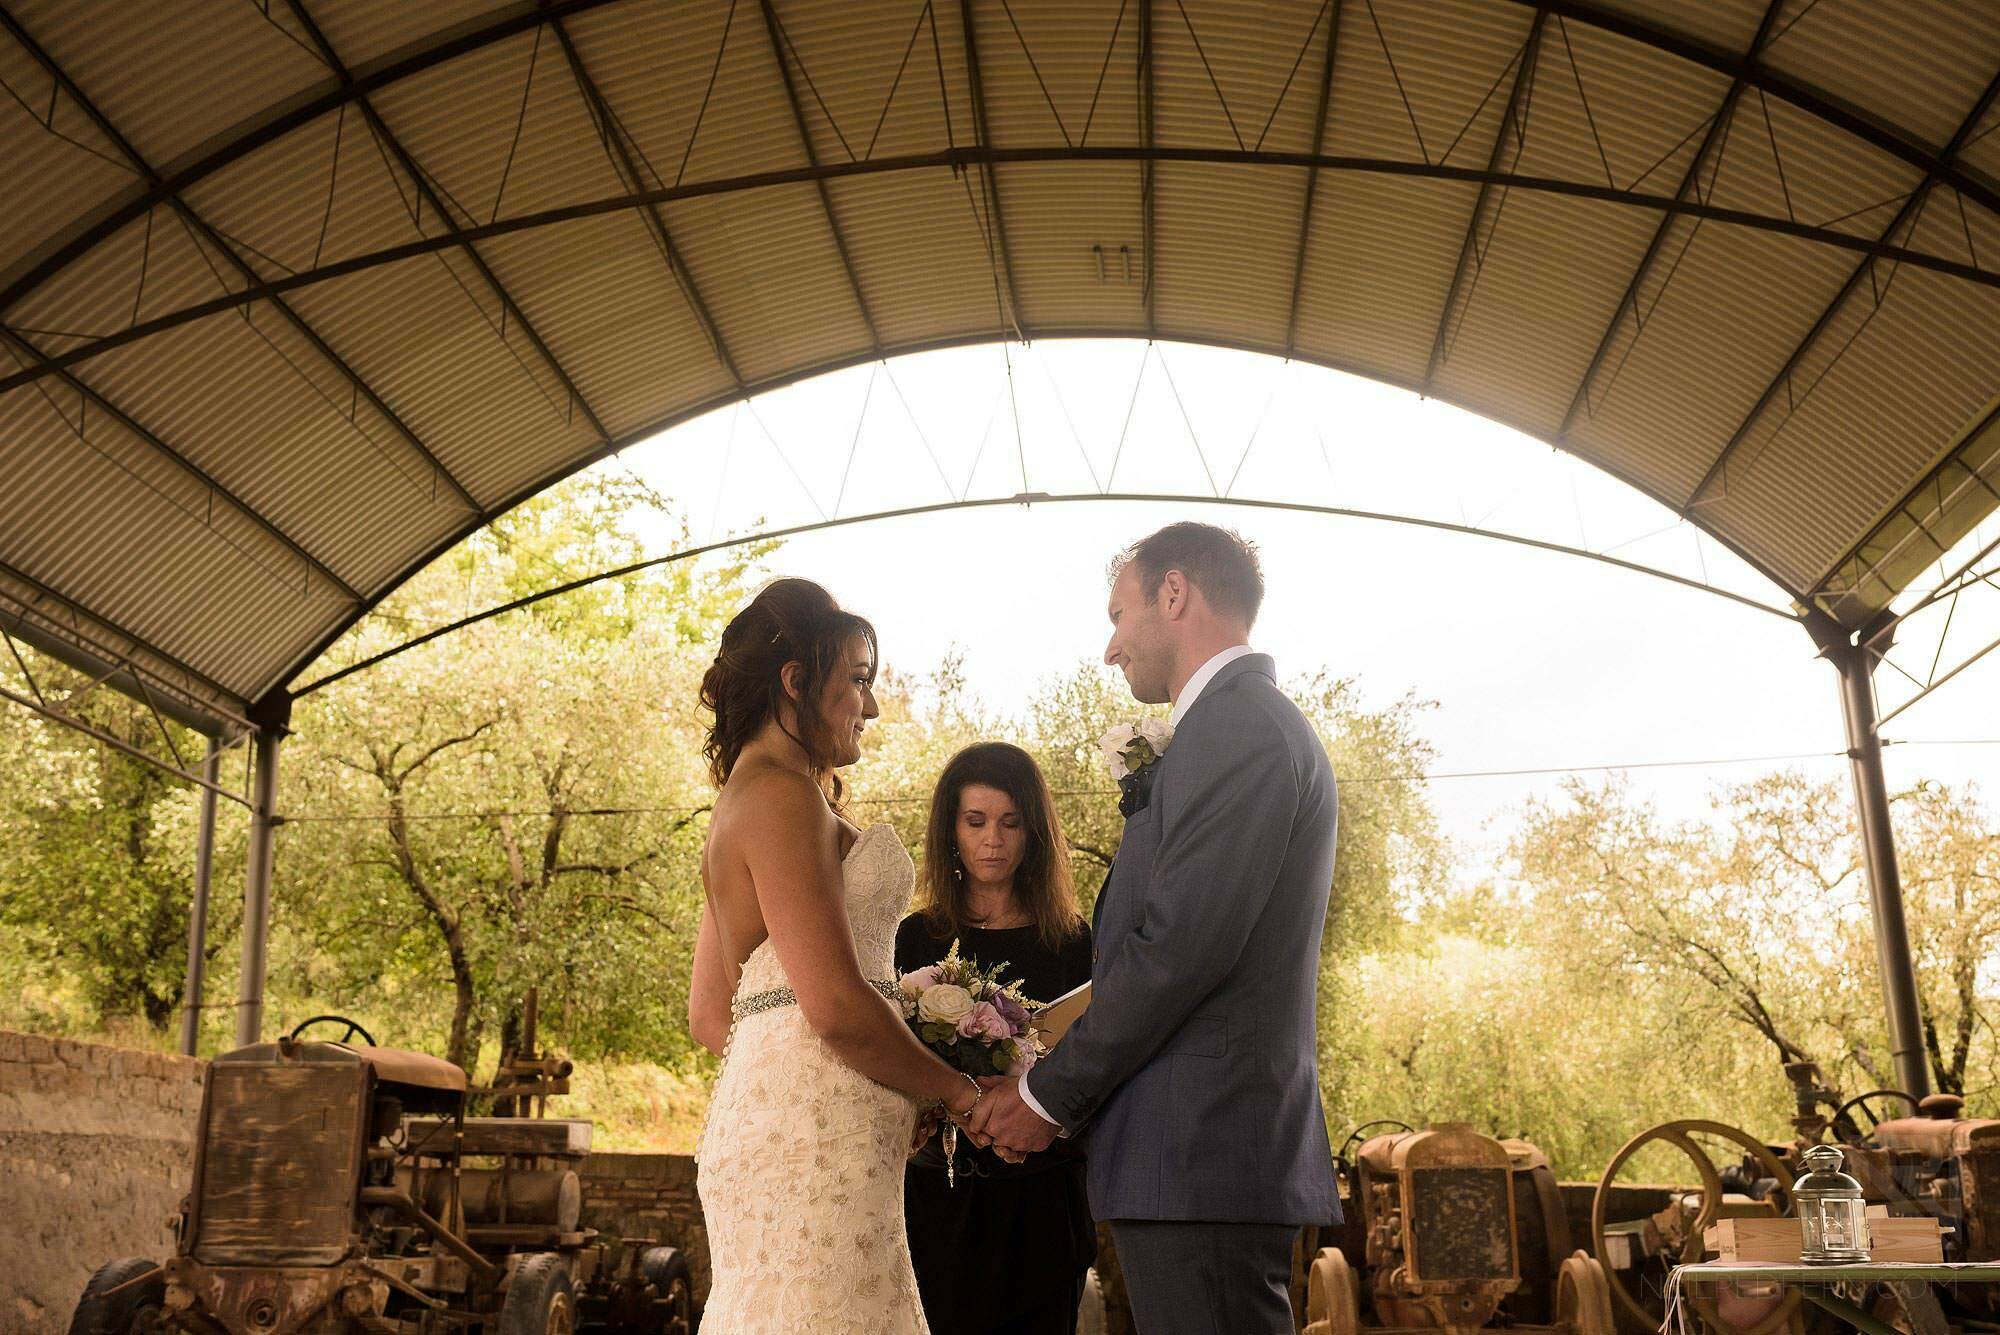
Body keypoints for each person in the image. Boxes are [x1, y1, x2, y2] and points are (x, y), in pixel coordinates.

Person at [968, 522, 1343, 1334]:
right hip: (1190, 1155)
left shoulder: (1240, 729)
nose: (1110, 648)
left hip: (1201, 1149)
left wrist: (1045, 1093)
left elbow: (1179, 950)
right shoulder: (1228, 730)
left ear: (1173, 594)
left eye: (1118, 613)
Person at [690, 578, 987, 1334]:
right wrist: (953, 1090)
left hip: (800, 1131)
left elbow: (709, 1014)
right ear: (796, 680)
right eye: (858, 678)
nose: (873, 705)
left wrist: (883, 1084)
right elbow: (832, 1004)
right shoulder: (781, 796)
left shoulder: (748, 795)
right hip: (814, 1150)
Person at [896, 743, 1096, 1335]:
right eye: (976, 821)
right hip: (938, 1198)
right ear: (950, 830)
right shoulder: (918, 937)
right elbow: (894, 1062)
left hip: (1044, 1198)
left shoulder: (1073, 941)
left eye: (1011, 823)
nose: (993, 840)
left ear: (1033, 832)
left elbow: (1092, 1067)